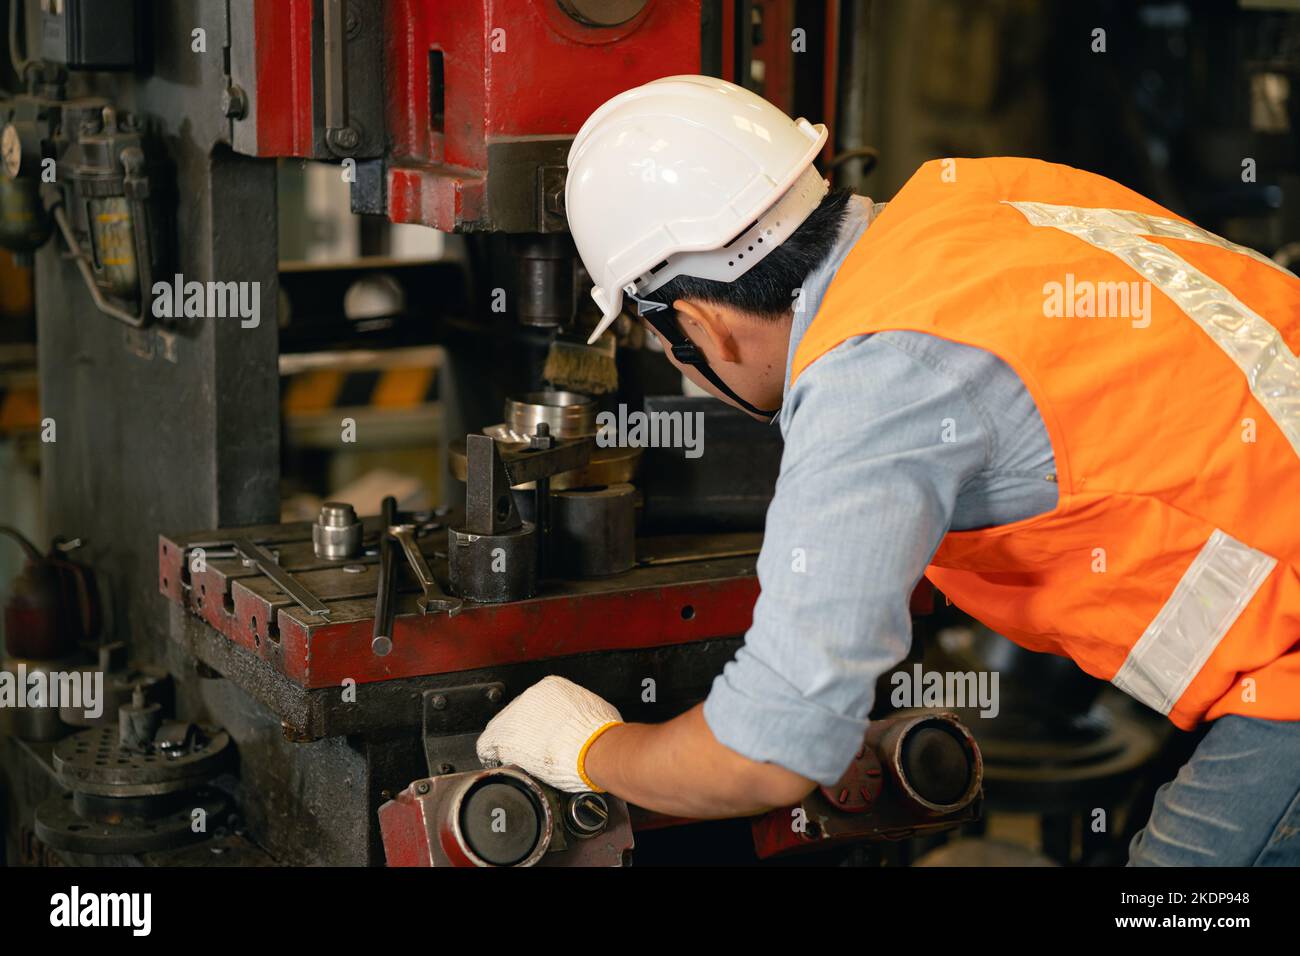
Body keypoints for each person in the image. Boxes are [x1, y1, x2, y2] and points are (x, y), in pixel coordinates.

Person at [477, 76, 1300, 865]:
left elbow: (762, 761)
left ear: (698, 325)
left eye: (667, 345)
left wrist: (589, 748)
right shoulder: (969, 198)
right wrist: (824, 692)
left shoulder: (874, 380)